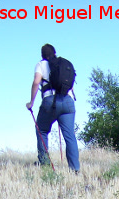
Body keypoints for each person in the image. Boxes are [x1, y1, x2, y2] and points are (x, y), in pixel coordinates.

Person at [26, 44, 80, 172]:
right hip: (67, 101)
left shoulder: (41, 64)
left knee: (41, 130)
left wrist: (31, 102)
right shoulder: (63, 64)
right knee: (70, 136)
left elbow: (36, 82)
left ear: (42, 55)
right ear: (55, 52)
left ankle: (45, 165)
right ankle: (75, 169)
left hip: (49, 101)